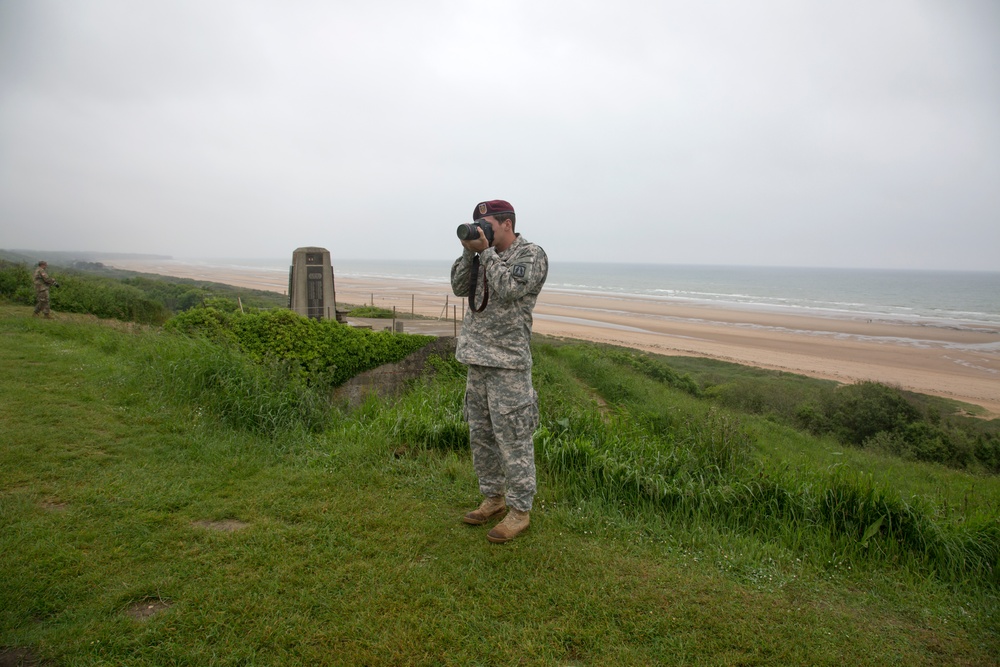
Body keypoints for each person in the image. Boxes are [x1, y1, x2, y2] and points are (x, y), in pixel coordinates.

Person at [450, 199, 548, 543]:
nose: (483, 230)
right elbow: (460, 288)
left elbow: (509, 289)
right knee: (482, 436)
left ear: (507, 224)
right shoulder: (480, 257)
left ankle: (520, 510)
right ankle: (493, 498)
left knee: (514, 438)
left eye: (488, 225)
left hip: (509, 363)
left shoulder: (530, 255)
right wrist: (469, 253)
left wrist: (487, 253)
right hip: (476, 359)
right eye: (480, 226)